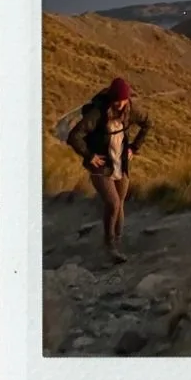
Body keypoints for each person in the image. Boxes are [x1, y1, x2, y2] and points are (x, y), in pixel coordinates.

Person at [66, 77, 151, 263]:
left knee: (120, 203)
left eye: (124, 100)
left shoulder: (131, 110)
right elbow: (74, 136)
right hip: (101, 166)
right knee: (113, 203)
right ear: (112, 98)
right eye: (118, 100)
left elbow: (147, 124)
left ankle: (118, 243)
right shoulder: (98, 113)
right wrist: (89, 156)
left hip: (120, 163)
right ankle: (109, 244)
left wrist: (134, 148)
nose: (121, 104)